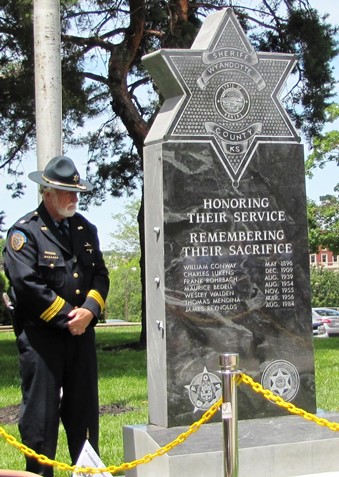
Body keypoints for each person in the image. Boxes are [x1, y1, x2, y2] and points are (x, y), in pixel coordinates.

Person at [3, 156, 110, 477]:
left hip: (81, 340)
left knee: (85, 417)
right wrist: (69, 318)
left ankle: (88, 473)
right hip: (42, 342)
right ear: (47, 192)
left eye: (76, 192)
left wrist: (89, 312)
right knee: (40, 422)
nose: (74, 198)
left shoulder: (85, 229)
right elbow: (26, 285)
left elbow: (101, 276)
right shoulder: (24, 234)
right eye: (67, 192)